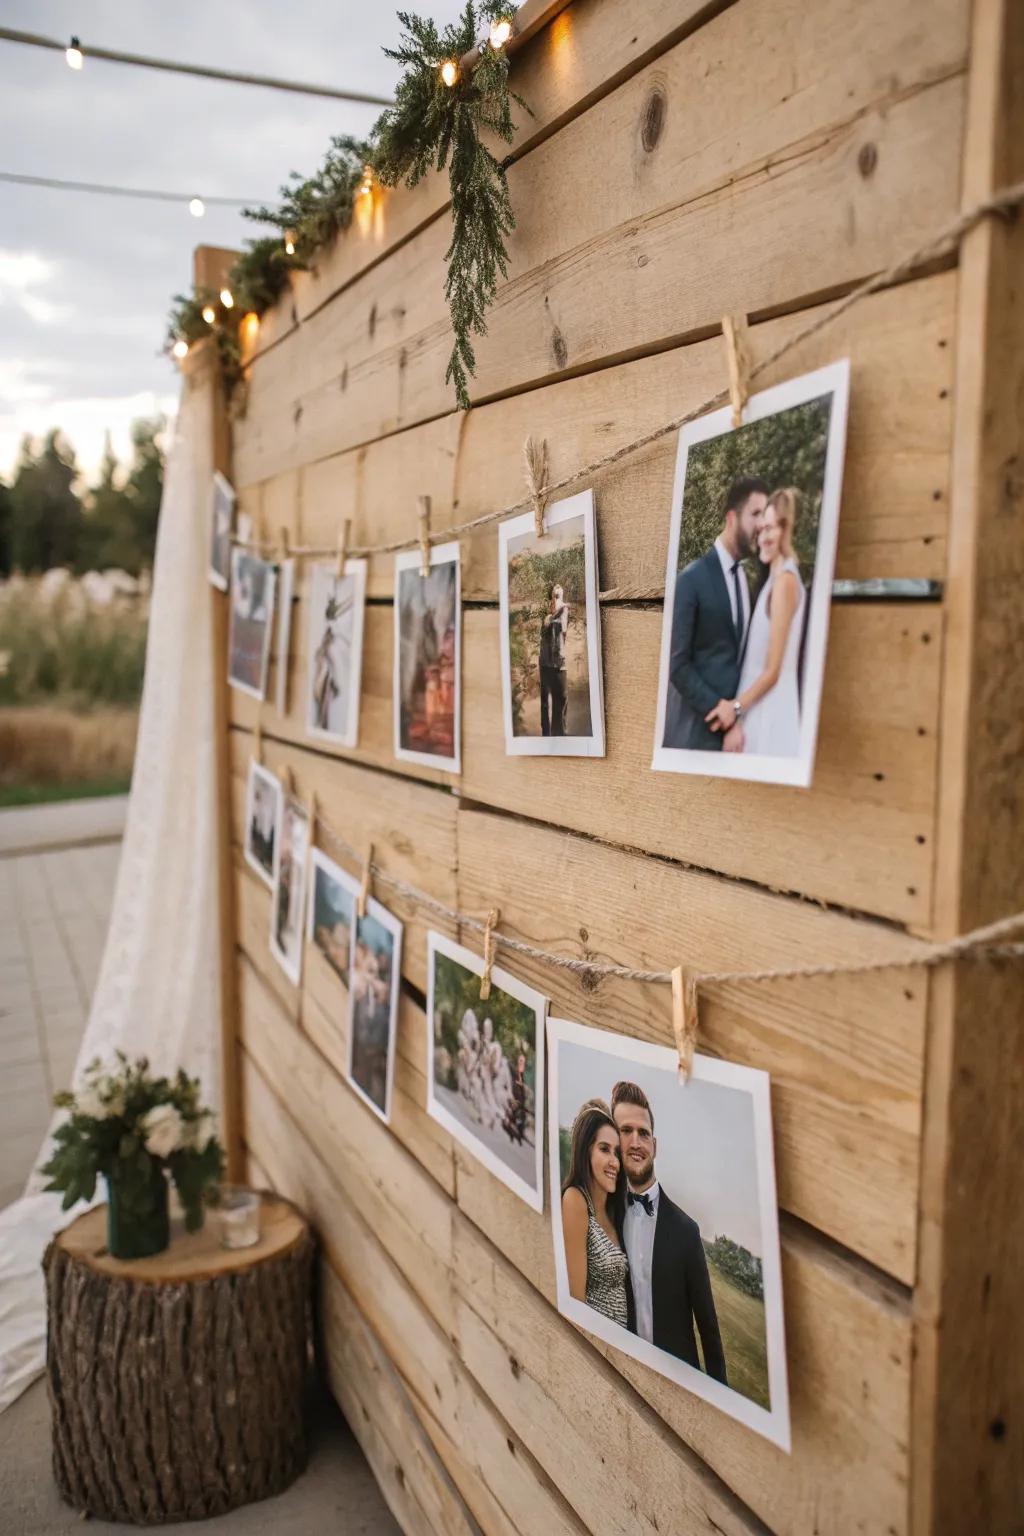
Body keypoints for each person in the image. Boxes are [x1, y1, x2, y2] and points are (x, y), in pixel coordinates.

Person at [611, 1080, 727, 1383]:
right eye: (625, 1131)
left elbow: (709, 1331)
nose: (635, 1142)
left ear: (655, 1146)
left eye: (643, 1133)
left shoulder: (687, 1231)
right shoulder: (605, 1215)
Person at [663, 477, 768, 751]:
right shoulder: (692, 578)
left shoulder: (744, 578)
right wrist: (721, 711)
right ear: (732, 517)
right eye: (755, 514)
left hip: (735, 739)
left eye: (764, 515)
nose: (762, 524)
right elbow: (677, 664)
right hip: (695, 734)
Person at [722, 488, 805, 757]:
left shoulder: (785, 583)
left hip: (770, 714)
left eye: (769, 529)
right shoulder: (774, 579)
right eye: (760, 531)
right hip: (758, 711)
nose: (762, 538)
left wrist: (734, 710)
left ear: (785, 529)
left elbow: (772, 671)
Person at [561, 1100, 629, 1326]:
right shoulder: (575, 1201)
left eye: (617, 1153)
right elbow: (576, 1302)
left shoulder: (615, 1211)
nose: (614, 1162)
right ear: (585, 1151)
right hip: (596, 1345)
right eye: (604, 1149)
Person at [539, 583, 570, 736]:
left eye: (560, 590)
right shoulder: (547, 616)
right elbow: (549, 623)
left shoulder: (564, 610)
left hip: (559, 663)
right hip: (546, 664)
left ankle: (560, 735)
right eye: (555, 590)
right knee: (546, 704)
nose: (558, 588)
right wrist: (559, 611)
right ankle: (547, 737)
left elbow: (564, 631)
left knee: (562, 699)